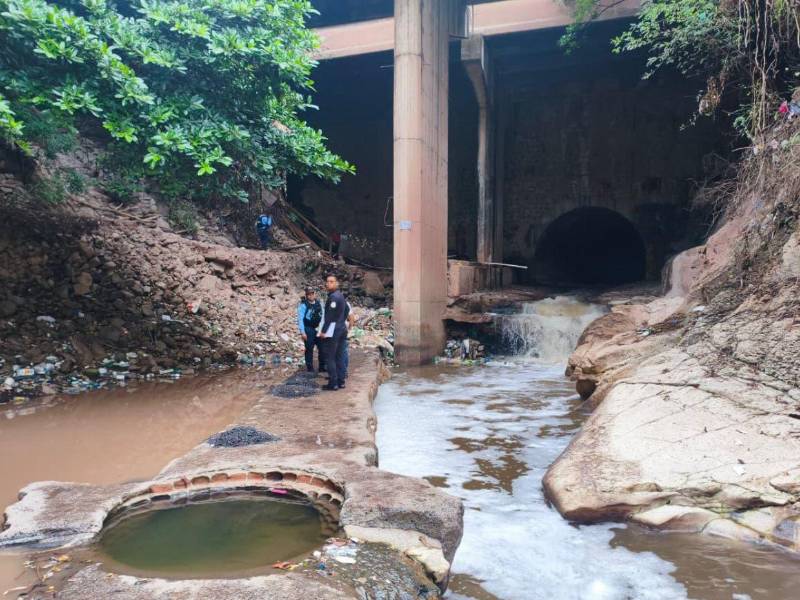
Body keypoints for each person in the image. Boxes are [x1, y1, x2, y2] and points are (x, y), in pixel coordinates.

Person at [318, 274, 347, 391]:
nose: (328, 283)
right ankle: (341, 381)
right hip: (342, 328)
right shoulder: (341, 295)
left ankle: (333, 383)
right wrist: (342, 321)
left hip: (334, 330)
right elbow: (346, 310)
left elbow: (329, 317)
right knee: (340, 356)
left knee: (330, 357)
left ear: (337, 283)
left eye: (331, 281)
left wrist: (323, 331)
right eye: (327, 281)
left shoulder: (334, 297)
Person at [297, 287, 325, 373]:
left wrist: (323, 329)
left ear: (314, 294)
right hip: (308, 329)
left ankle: (322, 367)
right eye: (309, 294)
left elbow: (323, 316)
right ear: (306, 295)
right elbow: (300, 319)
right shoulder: (303, 305)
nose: (311, 295)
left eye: (312, 293)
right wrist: (303, 332)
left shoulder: (319, 303)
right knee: (309, 349)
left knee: (322, 348)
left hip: (319, 328)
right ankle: (310, 368)